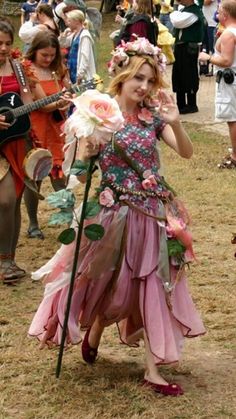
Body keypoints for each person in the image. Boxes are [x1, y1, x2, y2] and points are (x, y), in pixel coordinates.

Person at [29, 37, 205, 396]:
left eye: (150, 80)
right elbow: (77, 164)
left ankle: (153, 368)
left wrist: (177, 122)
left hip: (153, 212)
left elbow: (185, 153)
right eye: (138, 78)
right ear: (121, 76)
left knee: (154, 282)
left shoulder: (153, 119)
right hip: (113, 213)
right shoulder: (98, 112)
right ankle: (93, 330)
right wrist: (88, 145)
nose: (143, 86)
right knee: (106, 281)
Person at [0, 18, 68, 284]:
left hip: (16, 142)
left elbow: (30, 103)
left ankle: (8, 260)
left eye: (7, 43)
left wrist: (55, 102)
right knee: (5, 200)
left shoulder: (19, 68)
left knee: (11, 201)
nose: (3, 48)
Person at [23, 32, 71, 239]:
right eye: (45, 55)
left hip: (57, 128)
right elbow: (42, 104)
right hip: (37, 128)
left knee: (61, 174)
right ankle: (33, 223)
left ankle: (69, 219)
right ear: (35, 51)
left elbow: (69, 90)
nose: (49, 59)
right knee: (35, 176)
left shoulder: (58, 70)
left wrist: (68, 99)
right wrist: (59, 102)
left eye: (52, 55)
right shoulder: (27, 70)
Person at [199, 0, 236, 168]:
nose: (217, 14)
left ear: (226, 15)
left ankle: (235, 156)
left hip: (231, 81)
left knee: (232, 119)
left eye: (219, 11)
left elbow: (227, 60)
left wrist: (208, 58)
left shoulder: (229, 34)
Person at [170, 0, 204, 114]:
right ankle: (181, 104)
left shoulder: (194, 12)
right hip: (181, 48)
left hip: (189, 49)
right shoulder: (184, 10)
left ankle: (191, 104)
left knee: (189, 75)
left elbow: (176, 21)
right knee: (179, 74)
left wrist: (174, 12)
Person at [59, 9, 96, 84]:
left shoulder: (84, 36)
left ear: (76, 21)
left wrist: (80, 74)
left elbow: (85, 56)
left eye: (69, 21)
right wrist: (64, 35)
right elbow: (62, 44)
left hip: (82, 76)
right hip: (73, 71)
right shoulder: (74, 35)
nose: (67, 24)